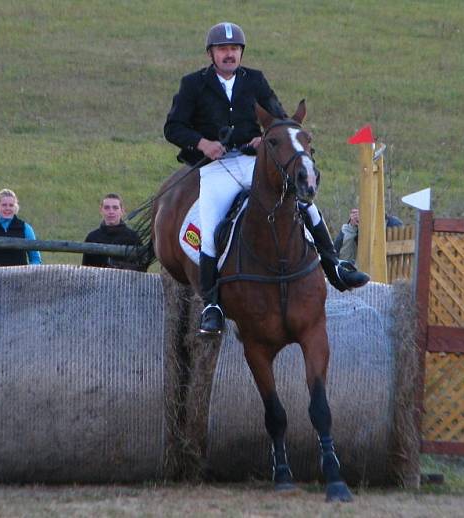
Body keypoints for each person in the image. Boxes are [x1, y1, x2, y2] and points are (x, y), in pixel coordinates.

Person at [164, 21, 369, 335]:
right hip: (216, 167)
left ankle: (334, 265)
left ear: (240, 53)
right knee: (209, 227)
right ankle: (211, 305)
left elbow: (278, 115)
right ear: (211, 54)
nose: (229, 54)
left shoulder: (255, 80)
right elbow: (173, 127)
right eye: (223, 50)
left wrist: (277, 135)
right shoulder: (193, 84)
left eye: (234, 49)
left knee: (304, 203)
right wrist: (202, 143)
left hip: (252, 163)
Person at [0, 189, 42, 266]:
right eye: (4, 205)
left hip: (21, 277)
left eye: (11, 205)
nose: (7, 208)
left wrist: (28, 273)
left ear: (15, 207)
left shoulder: (26, 229)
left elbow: (36, 259)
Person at [82, 193, 144, 271]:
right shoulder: (92, 238)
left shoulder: (133, 237)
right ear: (101, 210)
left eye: (115, 208)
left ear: (122, 211)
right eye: (107, 208)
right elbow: (85, 270)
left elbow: (142, 270)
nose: (111, 211)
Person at [334, 208, 403, 263]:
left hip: (387, 276)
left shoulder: (393, 224)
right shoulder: (353, 229)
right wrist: (352, 228)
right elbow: (342, 260)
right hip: (359, 275)